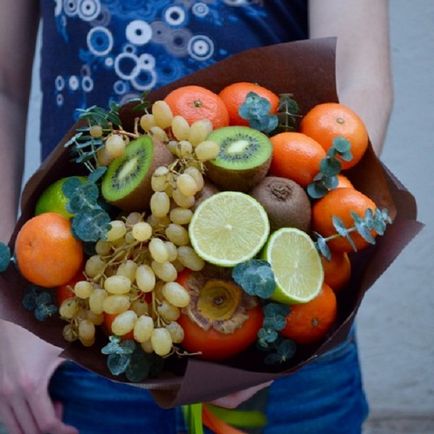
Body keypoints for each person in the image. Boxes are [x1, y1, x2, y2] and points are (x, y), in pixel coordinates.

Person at [0, 1, 393, 433]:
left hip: (284, 328)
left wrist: (301, 249)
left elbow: (358, 76)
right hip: (87, 321)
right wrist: (5, 313)